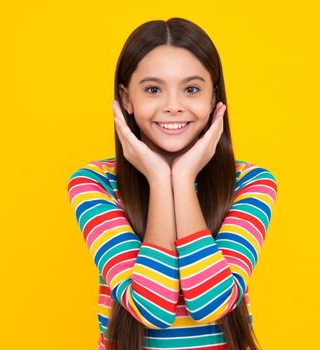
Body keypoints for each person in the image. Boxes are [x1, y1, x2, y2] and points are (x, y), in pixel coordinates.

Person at [67, 17, 278, 350]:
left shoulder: (250, 182)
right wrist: (159, 179)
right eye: (153, 89)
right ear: (126, 99)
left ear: (213, 99)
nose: (173, 106)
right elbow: (151, 307)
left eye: (191, 89)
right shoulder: (95, 183)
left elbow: (211, 302)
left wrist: (182, 177)